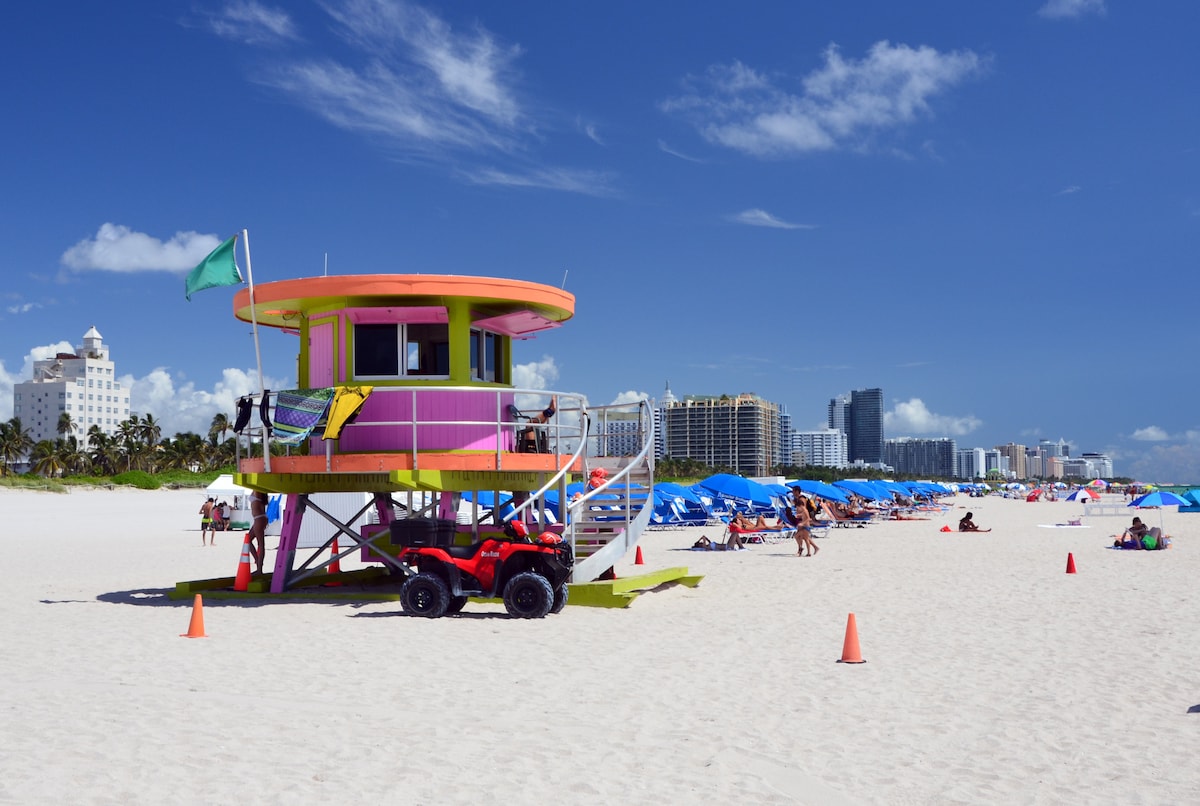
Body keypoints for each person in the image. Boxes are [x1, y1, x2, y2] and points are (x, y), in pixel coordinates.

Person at [791, 490, 818, 557]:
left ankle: (808, 552)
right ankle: (810, 549)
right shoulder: (803, 511)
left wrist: (802, 524)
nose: (797, 508)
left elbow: (808, 519)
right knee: (802, 538)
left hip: (806, 526)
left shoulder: (805, 510)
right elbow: (803, 515)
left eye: (797, 506)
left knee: (805, 539)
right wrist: (798, 516)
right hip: (804, 526)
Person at [248, 491, 269, 574]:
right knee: (249, 541)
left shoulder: (257, 491)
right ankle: (258, 563)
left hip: (259, 519)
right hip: (260, 518)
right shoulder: (259, 492)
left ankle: (259, 568)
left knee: (260, 544)